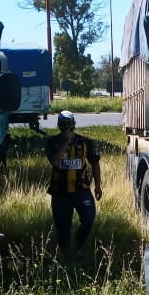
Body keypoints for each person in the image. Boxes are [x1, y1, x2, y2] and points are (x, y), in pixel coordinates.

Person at [45, 110, 103, 261]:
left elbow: (95, 163)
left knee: (89, 219)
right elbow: (55, 161)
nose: (67, 128)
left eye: (69, 125)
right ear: (58, 125)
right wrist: (65, 142)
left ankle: (78, 246)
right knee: (63, 227)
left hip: (81, 190)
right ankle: (66, 256)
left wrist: (97, 186)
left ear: (74, 124)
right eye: (63, 125)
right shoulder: (52, 142)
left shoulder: (86, 142)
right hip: (60, 192)